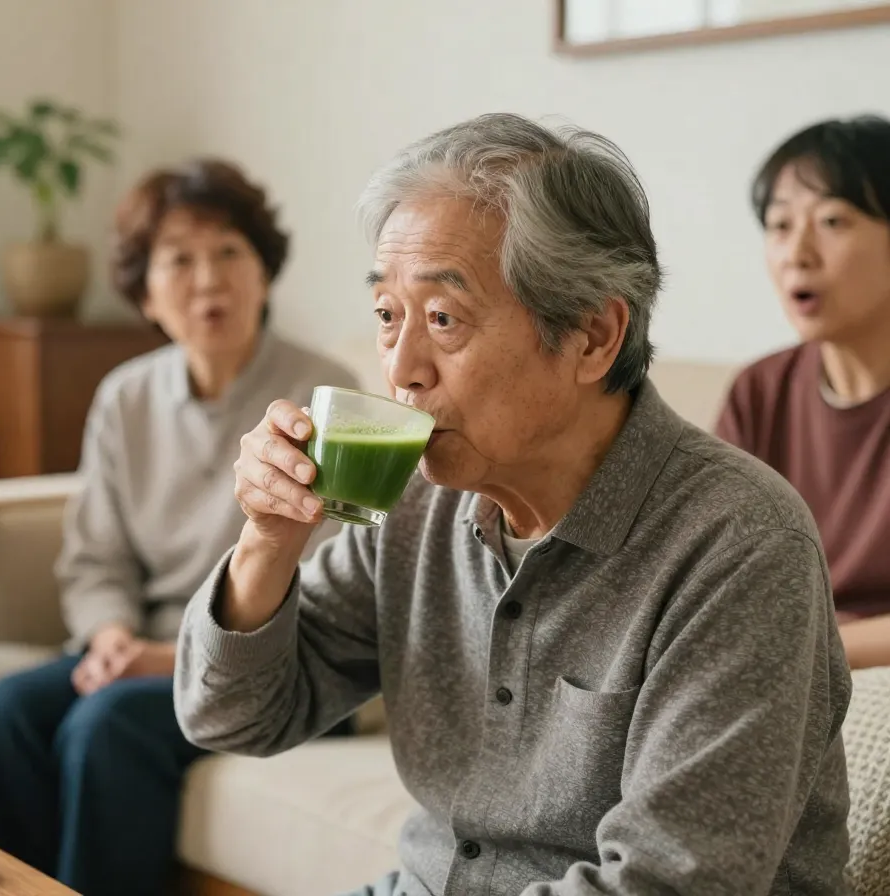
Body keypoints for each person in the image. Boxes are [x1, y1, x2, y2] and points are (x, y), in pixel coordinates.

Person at [173, 114, 852, 894]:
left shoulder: (739, 546)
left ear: (593, 335)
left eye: (442, 319)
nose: (400, 371)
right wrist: (268, 540)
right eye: (388, 316)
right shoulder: (418, 505)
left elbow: (668, 885)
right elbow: (232, 717)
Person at [0, 159, 358, 896]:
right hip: (137, 653)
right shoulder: (126, 398)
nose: (208, 279)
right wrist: (111, 635)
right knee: (2, 710)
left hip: (278, 670)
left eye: (229, 253)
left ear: (265, 273)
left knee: (104, 725)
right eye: (179, 260)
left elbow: (339, 582)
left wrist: (171, 654)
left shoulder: (324, 398)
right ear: (146, 291)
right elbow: (95, 559)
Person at [716, 115, 890, 671]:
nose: (798, 253)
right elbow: (708, 574)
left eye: (834, 220)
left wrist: (791, 649)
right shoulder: (760, 390)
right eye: (780, 225)